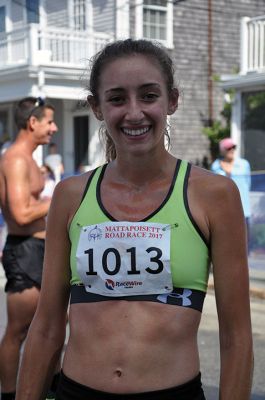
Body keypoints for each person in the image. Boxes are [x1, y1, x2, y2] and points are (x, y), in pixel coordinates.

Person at [15, 40, 253, 400]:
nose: (134, 112)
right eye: (117, 98)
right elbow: (47, 326)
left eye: (148, 95)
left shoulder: (214, 195)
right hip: (75, 391)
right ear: (96, 107)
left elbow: (236, 337)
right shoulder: (70, 195)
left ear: (171, 100)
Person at [0, 97, 59, 400]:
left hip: (40, 248)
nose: (55, 127)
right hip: (24, 250)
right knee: (18, 330)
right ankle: (10, 395)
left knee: (53, 323)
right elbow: (21, 214)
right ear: (33, 122)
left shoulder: (30, 159)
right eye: (49, 121)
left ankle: (50, 388)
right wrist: (56, 200)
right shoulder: (16, 159)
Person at [211, 137, 251, 233]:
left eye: (233, 147)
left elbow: (248, 184)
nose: (232, 150)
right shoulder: (215, 166)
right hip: (223, 212)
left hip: (243, 211)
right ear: (222, 151)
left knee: (245, 243)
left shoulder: (244, 164)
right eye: (228, 148)